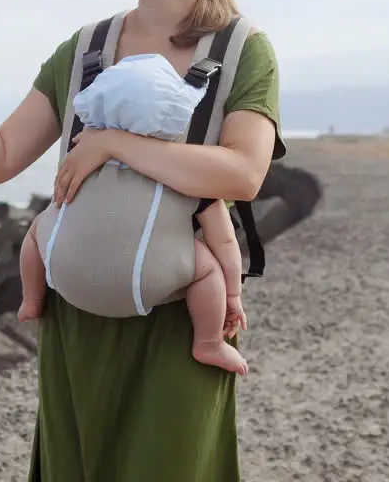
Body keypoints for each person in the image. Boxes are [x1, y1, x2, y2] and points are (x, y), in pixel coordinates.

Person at [0, 0, 283, 480]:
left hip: (179, 321)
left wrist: (112, 142)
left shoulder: (243, 50)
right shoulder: (85, 50)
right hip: (77, 318)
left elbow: (245, 174)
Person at [16, 60, 250, 375]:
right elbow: (225, 240)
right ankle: (208, 342)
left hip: (65, 280)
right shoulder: (186, 174)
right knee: (208, 266)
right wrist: (233, 294)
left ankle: (31, 298)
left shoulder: (81, 158)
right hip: (141, 286)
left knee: (35, 229)